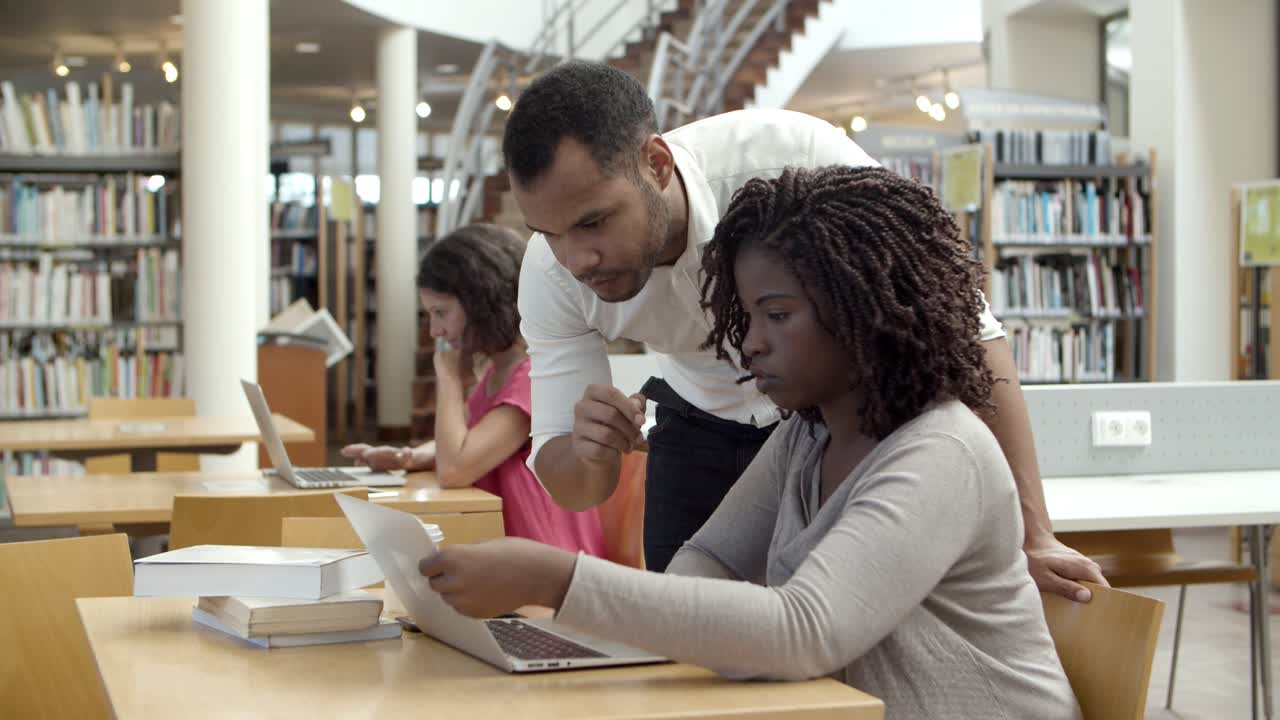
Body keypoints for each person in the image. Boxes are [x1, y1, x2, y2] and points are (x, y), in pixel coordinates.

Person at [420, 166, 1082, 719]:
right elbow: (709, 555)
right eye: (747, 315)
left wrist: (554, 579)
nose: (750, 342)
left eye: (778, 315)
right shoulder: (806, 435)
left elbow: (804, 630)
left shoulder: (941, 450)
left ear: (864, 312)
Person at [504, 60, 1104, 597]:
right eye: (549, 232)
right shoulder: (551, 274)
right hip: (693, 420)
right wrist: (592, 458)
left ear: (655, 165)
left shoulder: (791, 160)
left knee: (842, 634)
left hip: (829, 422)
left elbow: (966, 325)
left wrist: (1035, 533)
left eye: (594, 222)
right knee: (682, 637)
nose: (575, 259)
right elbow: (570, 480)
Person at [342, 224, 605, 556]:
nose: (435, 330)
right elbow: (465, 441)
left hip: (547, 558)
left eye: (441, 313)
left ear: (482, 302)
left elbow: (455, 468)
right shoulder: (500, 371)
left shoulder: (531, 377)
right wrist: (407, 457)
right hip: (517, 549)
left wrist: (448, 375)